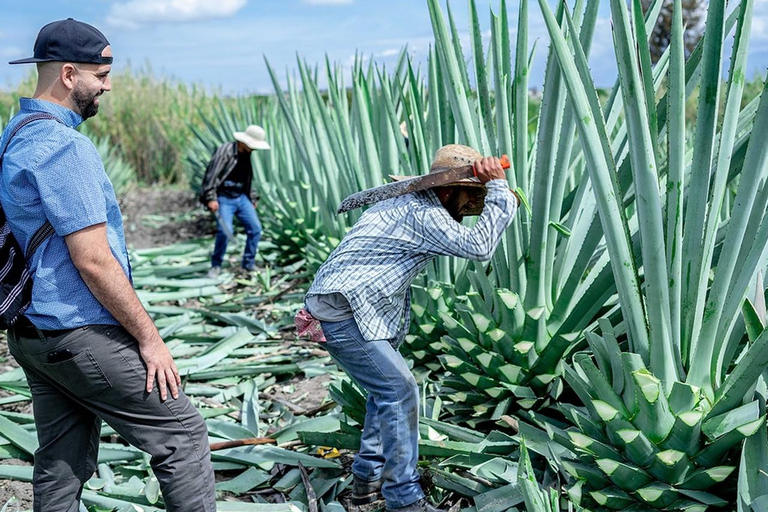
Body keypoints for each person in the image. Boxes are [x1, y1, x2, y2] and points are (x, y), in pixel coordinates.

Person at [0, 19, 216, 512]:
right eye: (102, 74)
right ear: (70, 74)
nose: (109, 85)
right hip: (79, 332)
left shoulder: (16, 132)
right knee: (182, 435)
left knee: (61, 460)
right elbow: (93, 260)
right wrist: (149, 337)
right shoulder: (62, 145)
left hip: (34, 335)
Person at [297, 144, 519, 512]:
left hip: (345, 308)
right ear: (448, 190)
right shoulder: (424, 214)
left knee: (384, 394)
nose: (470, 207)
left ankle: (367, 484)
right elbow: (480, 247)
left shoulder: (407, 205)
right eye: (470, 197)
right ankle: (404, 499)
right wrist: (497, 187)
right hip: (344, 312)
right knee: (400, 392)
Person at [199, 125, 270, 277]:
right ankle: (216, 265)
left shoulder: (246, 154)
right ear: (243, 142)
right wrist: (210, 197)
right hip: (224, 197)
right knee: (225, 231)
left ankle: (248, 263)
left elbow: (248, 178)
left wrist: (252, 197)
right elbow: (211, 174)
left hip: (241, 197)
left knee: (256, 228)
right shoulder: (225, 151)